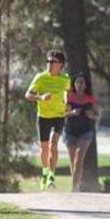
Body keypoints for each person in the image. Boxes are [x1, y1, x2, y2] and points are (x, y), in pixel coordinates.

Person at [25, 50, 70, 189]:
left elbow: (68, 93)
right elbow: (27, 95)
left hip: (58, 116)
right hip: (43, 116)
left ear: (60, 65)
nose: (49, 64)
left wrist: (68, 104)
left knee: (53, 144)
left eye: (53, 62)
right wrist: (40, 97)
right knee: (44, 148)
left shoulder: (65, 79)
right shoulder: (40, 78)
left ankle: (51, 176)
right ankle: (44, 172)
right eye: (48, 61)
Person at [63, 72, 100, 192]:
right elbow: (62, 114)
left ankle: (74, 189)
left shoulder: (89, 99)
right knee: (73, 161)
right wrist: (72, 113)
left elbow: (96, 115)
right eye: (77, 82)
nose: (79, 84)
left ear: (85, 85)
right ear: (74, 84)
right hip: (70, 131)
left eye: (82, 82)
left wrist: (90, 114)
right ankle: (76, 183)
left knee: (79, 159)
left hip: (85, 132)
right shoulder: (69, 97)